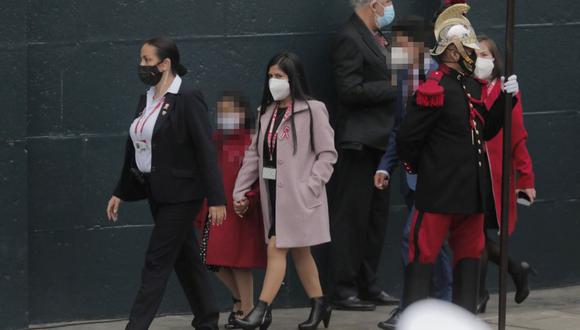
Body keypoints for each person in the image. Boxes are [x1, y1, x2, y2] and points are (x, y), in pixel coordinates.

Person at [394, 3, 520, 314]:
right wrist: (424, 171)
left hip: (469, 194)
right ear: (452, 52)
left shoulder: (467, 88)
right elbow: (408, 139)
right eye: (468, 49)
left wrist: (506, 98)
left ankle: (463, 317)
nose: (474, 55)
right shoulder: (434, 88)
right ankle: (413, 316)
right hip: (439, 192)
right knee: (423, 254)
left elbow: (485, 130)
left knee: (469, 256)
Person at [106, 37, 226, 330]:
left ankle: (136, 326)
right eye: (141, 59)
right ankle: (208, 318)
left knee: (156, 262)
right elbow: (135, 147)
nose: (142, 65)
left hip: (183, 196)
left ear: (165, 63)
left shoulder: (187, 96)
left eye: (147, 60)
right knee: (185, 258)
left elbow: (204, 149)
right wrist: (120, 191)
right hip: (156, 193)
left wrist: (217, 198)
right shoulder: (146, 98)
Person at [232, 52, 338, 330]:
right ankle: (319, 304)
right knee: (301, 253)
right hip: (273, 195)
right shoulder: (265, 112)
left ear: (294, 78)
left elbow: (327, 155)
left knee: (276, 247)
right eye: (270, 76)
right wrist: (239, 190)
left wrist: (310, 187)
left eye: (279, 76)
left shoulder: (313, 109)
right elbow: (255, 156)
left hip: (299, 197)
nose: (273, 82)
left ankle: (262, 310)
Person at [374, 17, 453, 330]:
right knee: (434, 245)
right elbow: (401, 130)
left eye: (401, 42)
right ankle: (440, 304)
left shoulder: (442, 77)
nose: (396, 48)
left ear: (418, 44)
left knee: (413, 237)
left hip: (437, 178)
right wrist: (385, 165)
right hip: (412, 179)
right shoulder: (404, 78)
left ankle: (415, 307)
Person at [329, 0, 399, 311]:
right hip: (359, 142)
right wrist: (394, 87)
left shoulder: (379, 38)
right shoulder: (349, 36)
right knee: (352, 217)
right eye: (387, 2)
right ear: (375, 4)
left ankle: (368, 284)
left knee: (375, 219)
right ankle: (344, 288)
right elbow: (349, 90)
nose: (390, 7)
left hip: (382, 142)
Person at [474, 35, 537, 313]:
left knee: (477, 234)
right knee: (473, 233)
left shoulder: (505, 88)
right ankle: (514, 269)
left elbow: (517, 137)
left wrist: (526, 180)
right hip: (473, 170)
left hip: (495, 175)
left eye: (485, 54)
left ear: (494, 58)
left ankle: (480, 293)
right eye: (475, 54)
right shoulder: (470, 88)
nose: (480, 60)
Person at [195, 93, 267, 328]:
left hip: (240, 211)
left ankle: (247, 310)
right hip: (215, 209)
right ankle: (240, 302)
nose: (225, 116)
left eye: (231, 111)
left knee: (239, 262)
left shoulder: (251, 141)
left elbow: (257, 177)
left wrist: (249, 198)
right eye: (222, 112)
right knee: (212, 260)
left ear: (243, 113)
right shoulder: (216, 140)